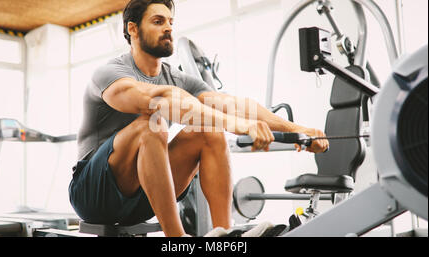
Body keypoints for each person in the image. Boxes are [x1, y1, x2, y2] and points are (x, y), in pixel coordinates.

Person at [68, 0, 329, 237]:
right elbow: (163, 100)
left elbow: (231, 104)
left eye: (170, 22)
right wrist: (238, 125)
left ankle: (224, 234)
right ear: (133, 30)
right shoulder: (111, 73)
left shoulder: (177, 78)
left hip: (141, 200)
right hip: (93, 195)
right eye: (158, 22)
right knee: (151, 126)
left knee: (209, 131)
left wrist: (300, 130)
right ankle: (178, 240)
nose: (168, 28)